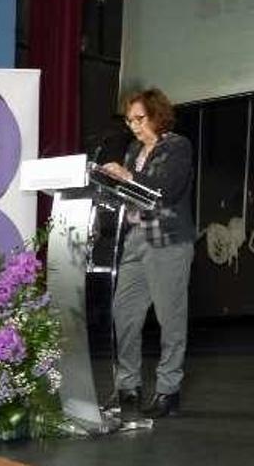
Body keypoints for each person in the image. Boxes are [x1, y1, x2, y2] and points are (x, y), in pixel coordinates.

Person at [101, 88, 195, 420]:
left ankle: (168, 390)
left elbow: (164, 189)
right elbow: (128, 195)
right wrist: (106, 185)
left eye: (139, 119)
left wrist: (127, 176)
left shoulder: (177, 146)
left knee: (170, 318)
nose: (134, 127)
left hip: (168, 239)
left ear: (156, 115)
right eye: (129, 121)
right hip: (135, 239)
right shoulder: (132, 151)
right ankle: (128, 384)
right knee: (123, 311)